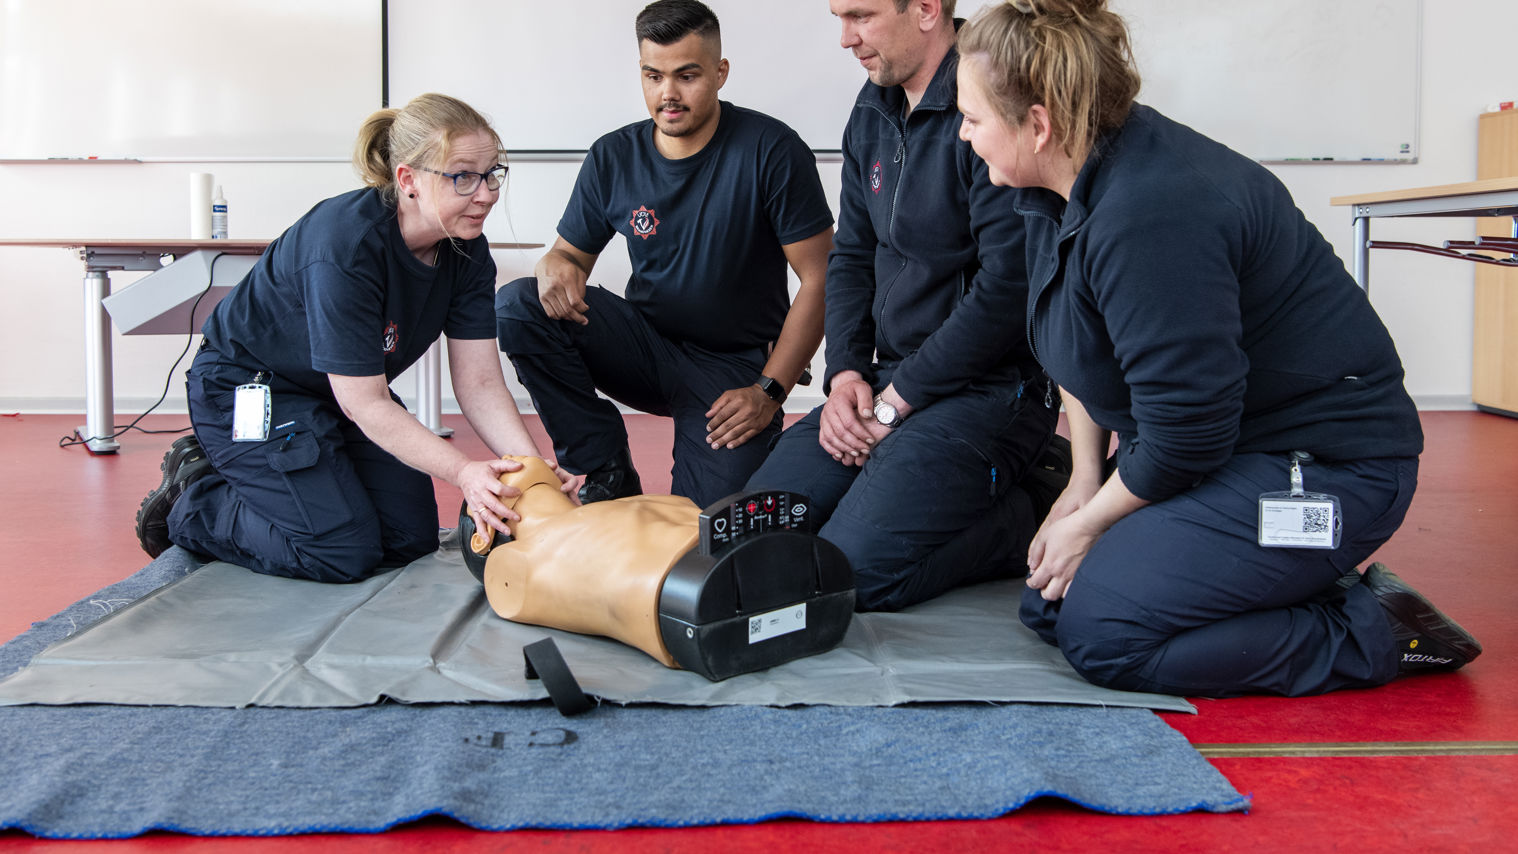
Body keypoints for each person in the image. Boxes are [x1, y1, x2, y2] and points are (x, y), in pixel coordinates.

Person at [954, 0, 1481, 697]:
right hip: (1224, 450)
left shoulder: (1151, 214)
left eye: (972, 118)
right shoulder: (1055, 185)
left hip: (1326, 469)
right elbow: (1075, 352)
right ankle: (1279, 583)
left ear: (1039, 124)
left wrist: (1092, 523)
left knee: (1105, 635)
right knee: (1049, 604)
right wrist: (1083, 485)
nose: (964, 134)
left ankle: (1375, 629)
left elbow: (1187, 431)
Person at [134, 93, 571, 583]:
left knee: (409, 540)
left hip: (335, 394)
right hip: (249, 390)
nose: (486, 193)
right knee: (339, 551)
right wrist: (464, 472)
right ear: (408, 180)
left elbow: (481, 383)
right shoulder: (345, 246)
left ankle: (287, 484)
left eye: (492, 174)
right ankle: (192, 499)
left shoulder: (466, 249)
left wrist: (531, 470)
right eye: (463, 177)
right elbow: (364, 403)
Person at [744, 0, 1063, 613]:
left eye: (860, 16)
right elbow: (851, 255)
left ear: (924, 9)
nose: (846, 38)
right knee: (756, 539)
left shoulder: (993, 99)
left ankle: (1034, 503)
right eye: (839, 18)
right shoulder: (872, 108)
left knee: (846, 575)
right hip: (887, 381)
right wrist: (845, 376)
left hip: (990, 391)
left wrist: (896, 402)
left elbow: (1009, 287)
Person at [494, 0, 835, 509]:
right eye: (653, 76)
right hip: (643, 348)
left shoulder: (772, 150)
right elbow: (569, 258)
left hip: (730, 370)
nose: (667, 94)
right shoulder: (613, 155)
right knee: (520, 305)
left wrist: (770, 391)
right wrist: (554, 262)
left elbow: (822, 277)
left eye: (686, 76)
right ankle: (605, 466)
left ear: (720, 73)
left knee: (708, 527)